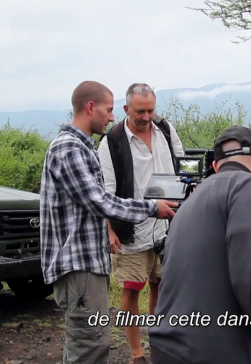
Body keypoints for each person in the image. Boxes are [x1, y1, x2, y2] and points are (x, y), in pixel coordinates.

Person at [39, 80, 178, 364]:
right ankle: (139, 352)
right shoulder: (71, 149)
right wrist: (152, 207)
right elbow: (101, 201)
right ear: (91, 108)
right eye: (109, 109)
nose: (112, 116)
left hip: (89, 262)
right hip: (79, 264)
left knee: (91, 342)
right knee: (90, 344)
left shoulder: (81, 146)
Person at [149, 126, 251, 364]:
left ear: (215, 166)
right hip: (208, 352)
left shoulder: (193, 199)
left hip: (166, 346)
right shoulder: (250, 185)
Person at [97, 82, 185, 364]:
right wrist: (109, 229)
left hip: (168, 224)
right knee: (131, 287)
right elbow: (104, 192)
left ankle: (159, 342)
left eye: (150, 110)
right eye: (139, 112)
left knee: (163, 284)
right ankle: (136, 352)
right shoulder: (112, 141)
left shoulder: (166, 130)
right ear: (126, 109)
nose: (146, 117)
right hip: (131, 228)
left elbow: (183, 167)